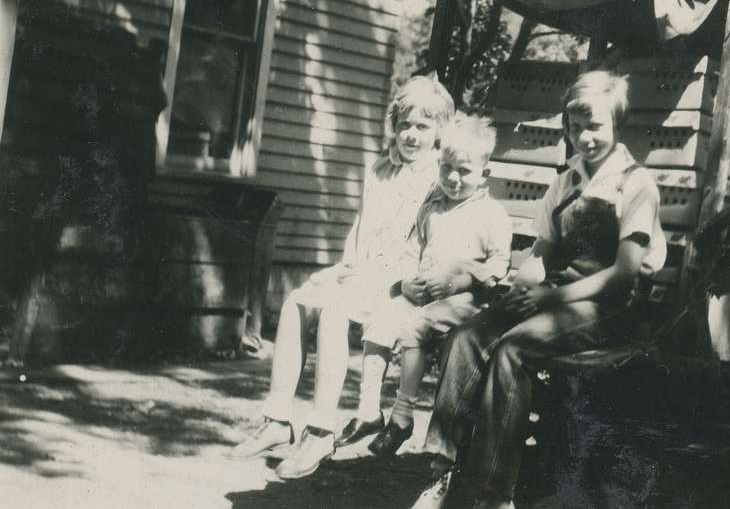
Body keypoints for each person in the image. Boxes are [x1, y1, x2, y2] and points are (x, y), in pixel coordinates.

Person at [410, 70, 667, 509]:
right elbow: (542, 254)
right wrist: (514, 291)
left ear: (616, 125)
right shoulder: (565, 181)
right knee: (470, 334)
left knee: (514, 350)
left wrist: (547, 298)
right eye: (574, 126)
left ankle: (495, 493)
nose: (583, 137)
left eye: (594, 126)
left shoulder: (636, 183)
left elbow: (624, 274)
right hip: (559, 296)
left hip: (609, 307)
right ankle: (447, 468)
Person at [228, 76, 455, 480]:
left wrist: (396, 280)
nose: (411, 135)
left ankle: (320, 429)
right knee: (298, 301)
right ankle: (278, 418)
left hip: (406, 282)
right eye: (404, 124)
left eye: (423, 126)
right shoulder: (381, 168)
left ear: (439, 131)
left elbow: (433, 244)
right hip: (367, 270)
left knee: (333, 311)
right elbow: (362, 224)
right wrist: (347, 265)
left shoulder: (440, 178)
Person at [339, 112, 512, 459]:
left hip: (468, 299)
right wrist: (405, 284)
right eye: (446, 167)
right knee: (381, 317)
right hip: (425, 295)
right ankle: (368, 410)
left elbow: (498, 266)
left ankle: (402, 416)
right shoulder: (431, 208)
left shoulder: (492, 215)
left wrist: (462, 279)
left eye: (464, 171)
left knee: (414, 327)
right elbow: (412, 250)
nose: (453, 177)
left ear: (484, 174)